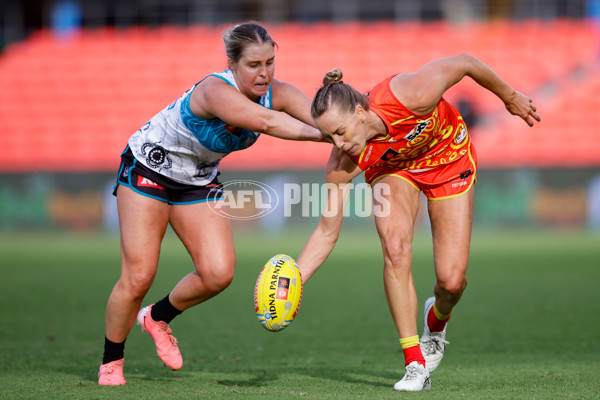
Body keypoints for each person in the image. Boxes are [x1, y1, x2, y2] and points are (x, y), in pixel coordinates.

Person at [296, 53, 540, 391]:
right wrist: (295, 280)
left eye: (339, 131)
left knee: (452, 283)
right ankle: (414, 363)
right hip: (394, 171)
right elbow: (326, 231)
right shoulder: (344, 160)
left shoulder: (412, 94)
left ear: (360, 112)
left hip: (447, 158)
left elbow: (466, 62)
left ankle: (436, 322)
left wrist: (510, 97)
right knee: (395, 248)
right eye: (329, 137)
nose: (338, 143)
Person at [98, 22, 324, 386]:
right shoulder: (214, 90)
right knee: (139, 275)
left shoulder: (277, 92)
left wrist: (348, 126)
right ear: (232, 64)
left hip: (197, 180)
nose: (264, 72)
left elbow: (320, 115)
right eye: (254, 65)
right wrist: (326, 137)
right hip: (148, 169)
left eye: (270, 62)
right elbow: (265, 121)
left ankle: (156, 317)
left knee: (218, 273)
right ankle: (111, 362)